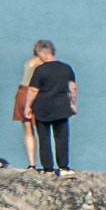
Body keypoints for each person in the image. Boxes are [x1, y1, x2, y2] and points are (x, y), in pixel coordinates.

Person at [26, 41, 77, 174]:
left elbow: (33, 90)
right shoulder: (66, 68)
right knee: (62, 138)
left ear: (44, 53)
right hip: (61, 107)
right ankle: (63, 166)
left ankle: (47, 167)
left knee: (44, 138)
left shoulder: (40, 70)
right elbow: (73, 88)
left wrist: (28, 106)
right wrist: (72, 103)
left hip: (42, 108)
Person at [13, 43, 44, 173]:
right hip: (35, 93)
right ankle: (45, 161)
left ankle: (31, 163)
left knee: (27, 129)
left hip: (22, 92)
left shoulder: (29, 62)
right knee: (42, 130)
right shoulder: (41, 64)